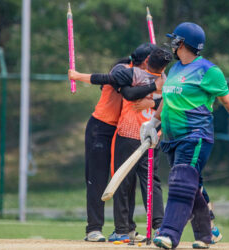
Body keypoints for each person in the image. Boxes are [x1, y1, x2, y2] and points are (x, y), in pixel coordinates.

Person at [140, 22, 229, 249]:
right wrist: (152, 123)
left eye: (175, 40)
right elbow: (167, 100)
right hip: (171, 139)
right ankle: (205, 235)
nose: (172, 44)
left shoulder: (208, 70)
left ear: (182, 43)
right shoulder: (174, 70)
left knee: (180, 181)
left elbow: (226, 99)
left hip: (196, 136)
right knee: (191, 187)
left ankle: (169, 233)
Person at [68, 43, 165, 242]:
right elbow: (117, 86)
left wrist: (153, 100)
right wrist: (77, 76)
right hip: (103, 127)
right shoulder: (125, 71)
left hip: (124, 129)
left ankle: (127, 228)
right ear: (146, 60)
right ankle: (93, 228)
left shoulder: (145, 75)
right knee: (98, 177)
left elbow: (163, 98)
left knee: (126, 179)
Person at [110, 47, 172, 242]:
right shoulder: (164, 79)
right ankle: (154, 226)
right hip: (150, 134)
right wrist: (155, 95)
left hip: (132, 132)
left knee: (135, 182)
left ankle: (125, 229)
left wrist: (152, 103)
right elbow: (129, 93)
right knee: (147, 182)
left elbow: (129, 92)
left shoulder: (141, 75)